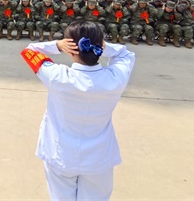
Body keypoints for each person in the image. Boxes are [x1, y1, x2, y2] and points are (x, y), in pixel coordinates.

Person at [21, 21, 136, 201]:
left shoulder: (57, 76)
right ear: (100, 46)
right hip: (99, 157)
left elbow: (30, 51)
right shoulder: (115, 79)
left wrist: (57, 45)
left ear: (71, 48)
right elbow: (124, 53)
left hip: (61, 155)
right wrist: (104, 47)